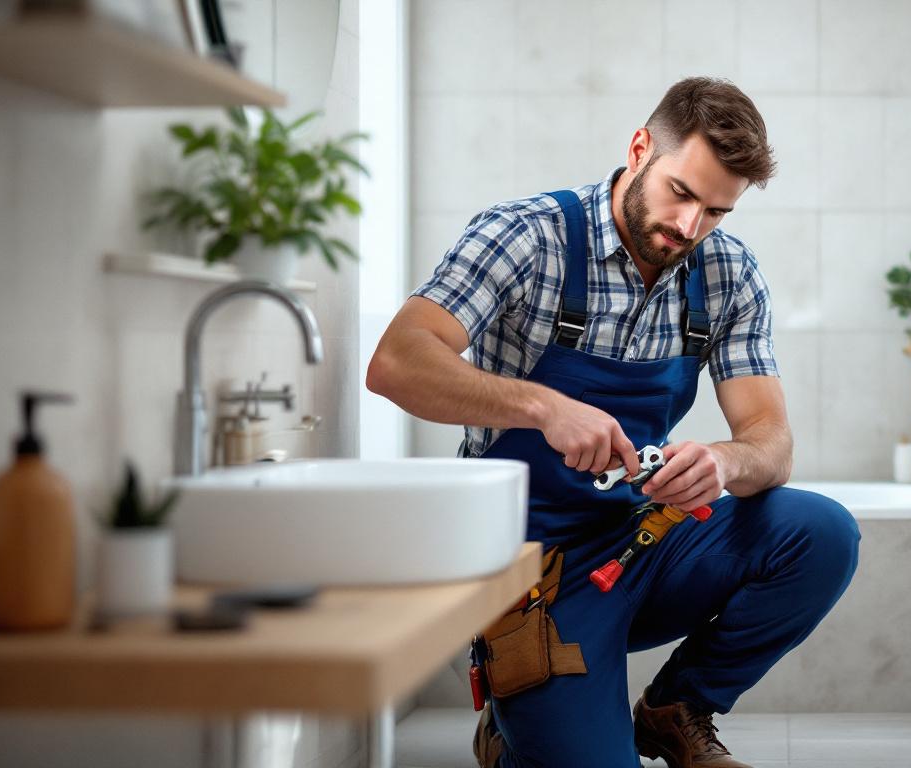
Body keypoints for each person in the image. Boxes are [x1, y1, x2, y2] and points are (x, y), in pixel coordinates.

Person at [367, 76, 861, 768]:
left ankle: (675, 709)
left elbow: (771, 443)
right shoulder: (526, 236)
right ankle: (517, 732)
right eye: (682, 193)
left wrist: (723, 462)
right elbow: (396, 362)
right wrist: (541, 406)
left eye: (716, 211)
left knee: (822, 532)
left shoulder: (726, 272)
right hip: (528, 568)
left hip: (641, 542)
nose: (689, 228)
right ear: (639, 149)